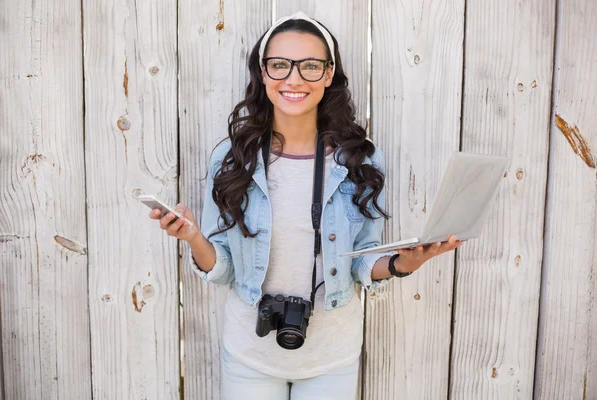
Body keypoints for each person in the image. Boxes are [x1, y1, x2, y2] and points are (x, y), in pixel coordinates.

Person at [149, 11, 461, 400]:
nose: (293, 79)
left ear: (329, 74)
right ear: (262, 73)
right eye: (279, 65)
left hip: (332, 356)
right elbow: (225, 268)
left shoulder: (359, 161)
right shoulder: (233, 159)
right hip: (249, 353)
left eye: (310, 66)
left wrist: (403, 264)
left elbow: (359, 261)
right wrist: (194, 238)